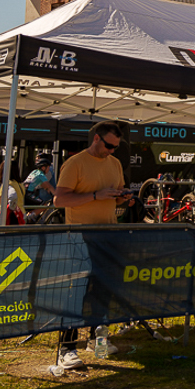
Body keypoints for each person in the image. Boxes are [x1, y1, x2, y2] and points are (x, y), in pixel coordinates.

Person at [52, 122, 135, 370]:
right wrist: (96, 195)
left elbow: (116, 197)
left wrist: (124, 198)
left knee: (103, 289)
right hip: (80, 236)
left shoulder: (115, 163)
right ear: (96, 139)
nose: (112, 151)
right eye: (109, 145)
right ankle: (66, 348)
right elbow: (59, 199)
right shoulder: (75, 163)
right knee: (76, 292)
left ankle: (97, 340)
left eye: (116, 147)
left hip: (107, 235)